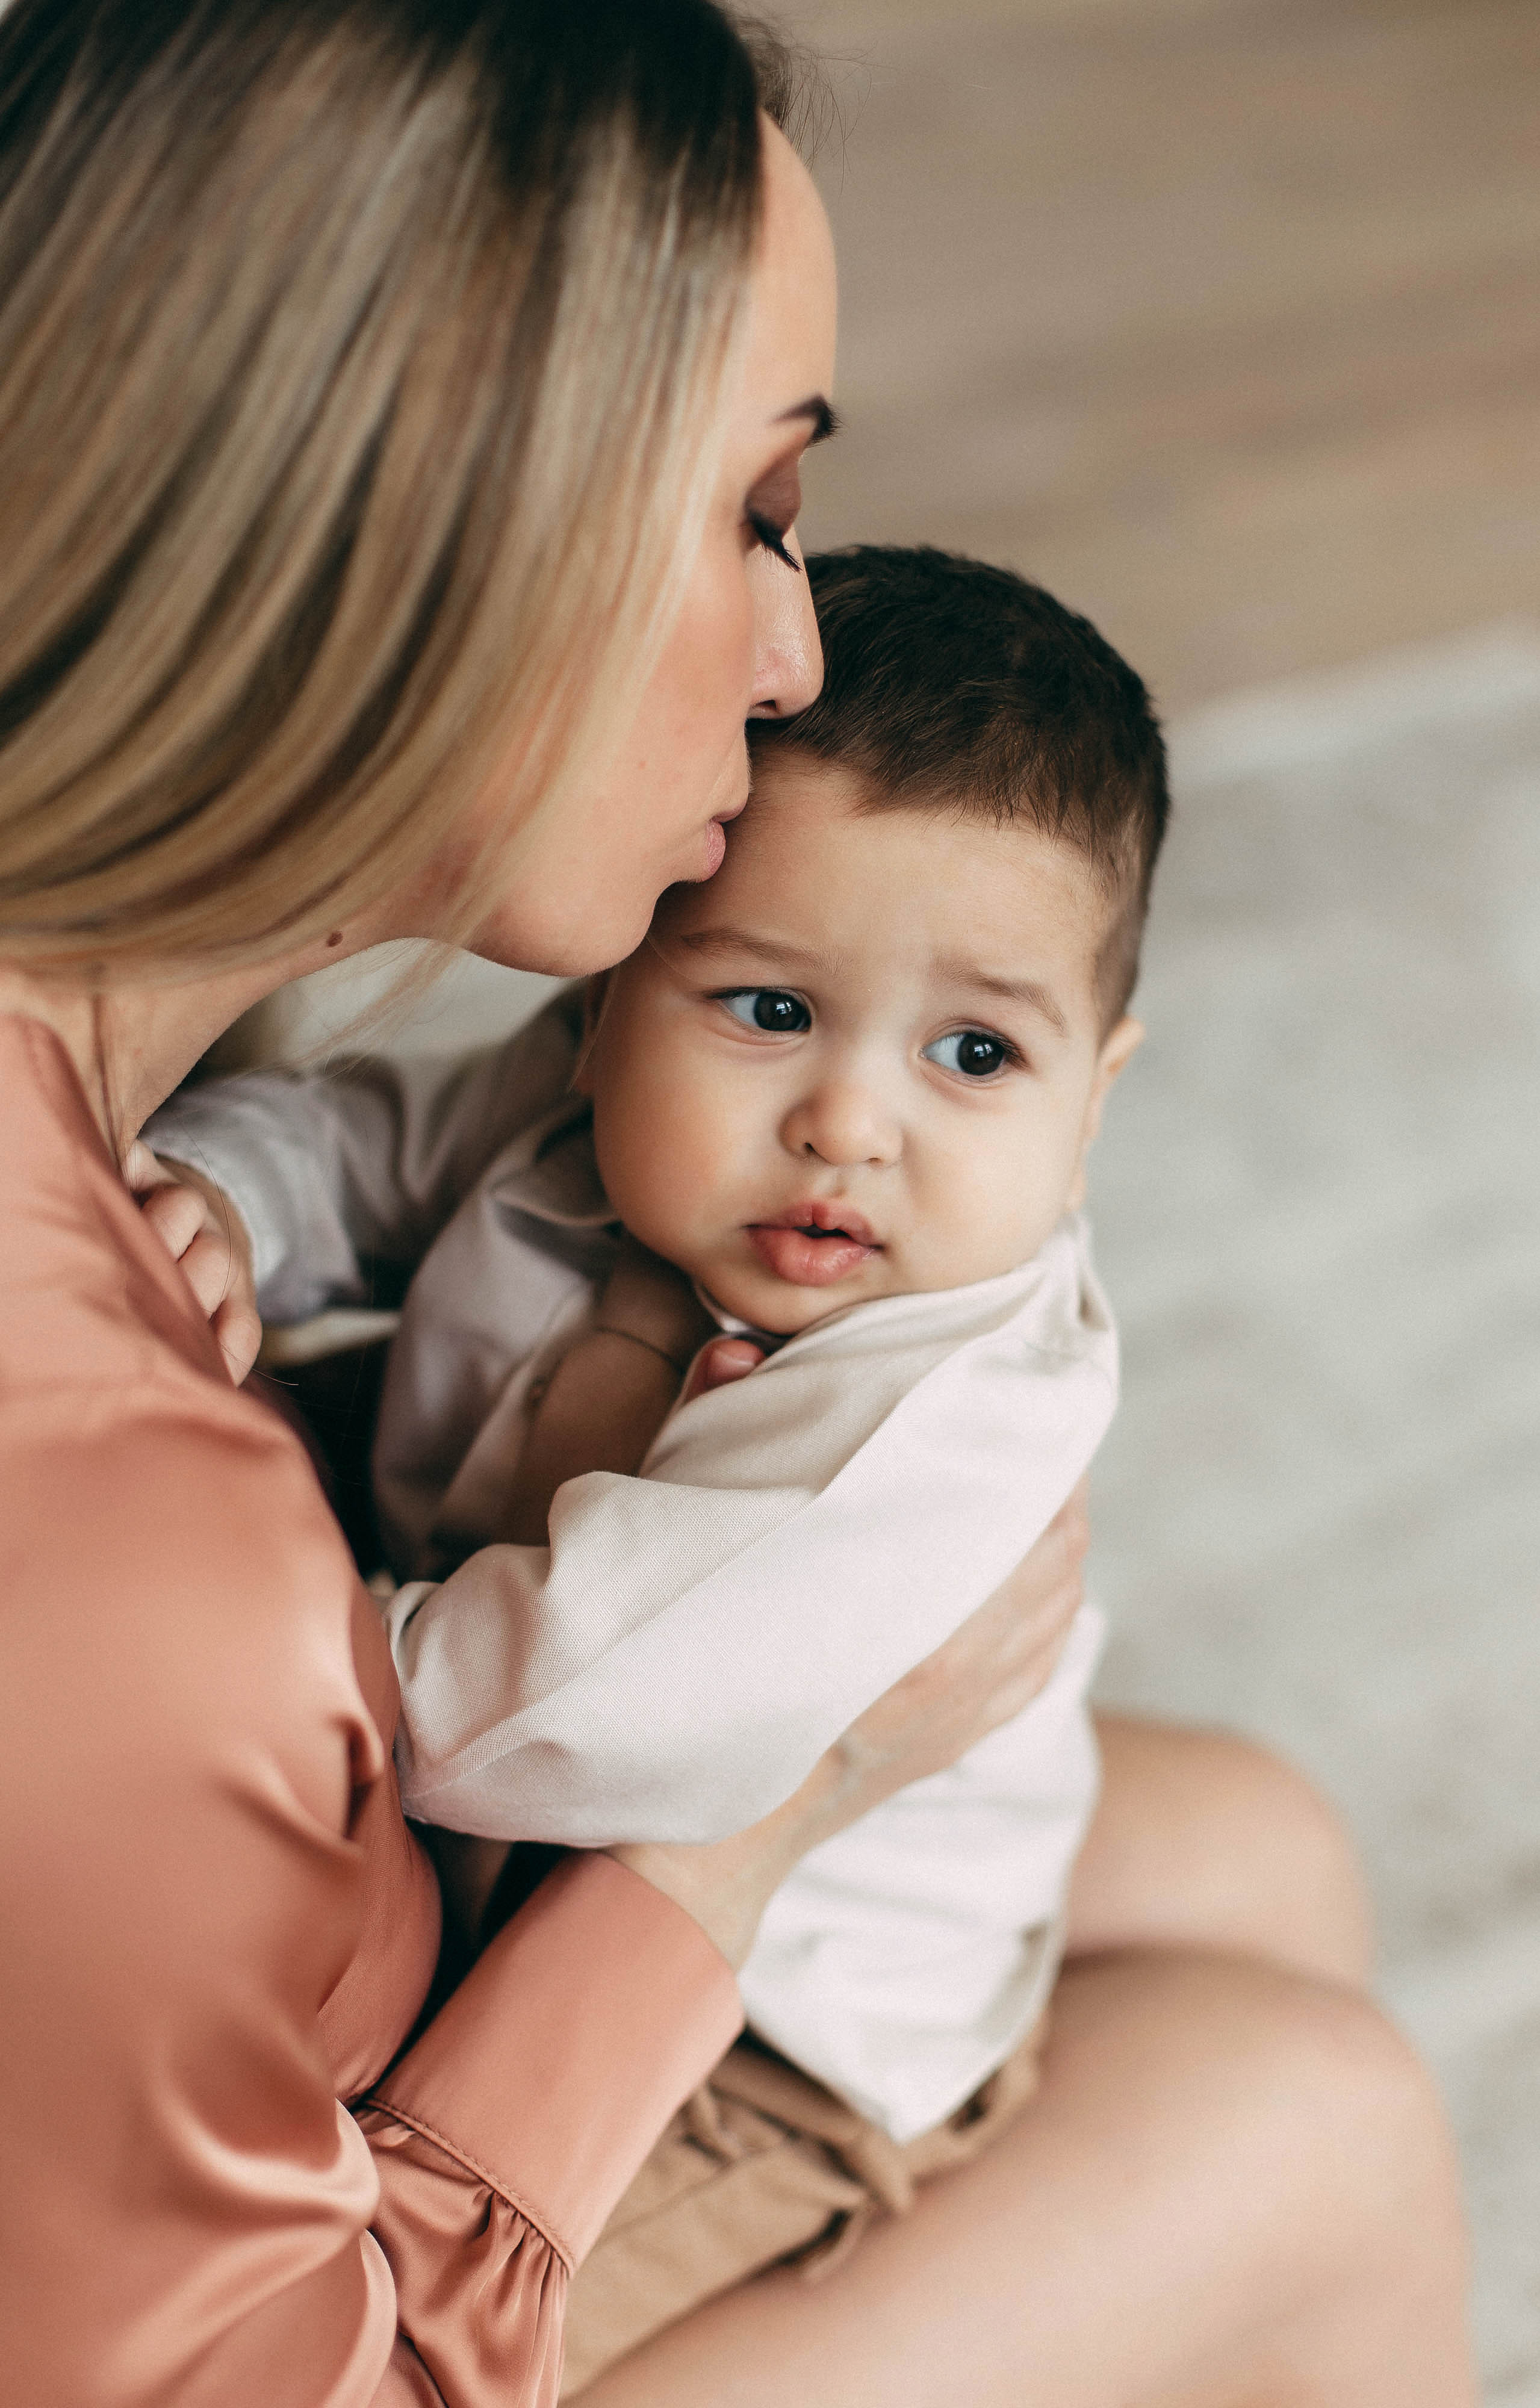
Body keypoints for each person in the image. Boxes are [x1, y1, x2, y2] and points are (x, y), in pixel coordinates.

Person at [0, 7, 1475, 2408]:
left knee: (1251, 1852)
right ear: (410, 522)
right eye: (755, 514)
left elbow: (364, 1172)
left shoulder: (140, 1145)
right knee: (1297, 2135)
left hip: (370, 1907)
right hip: (362, 2175)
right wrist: (756, 1824)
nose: (793, 663)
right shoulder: (119, 1558)